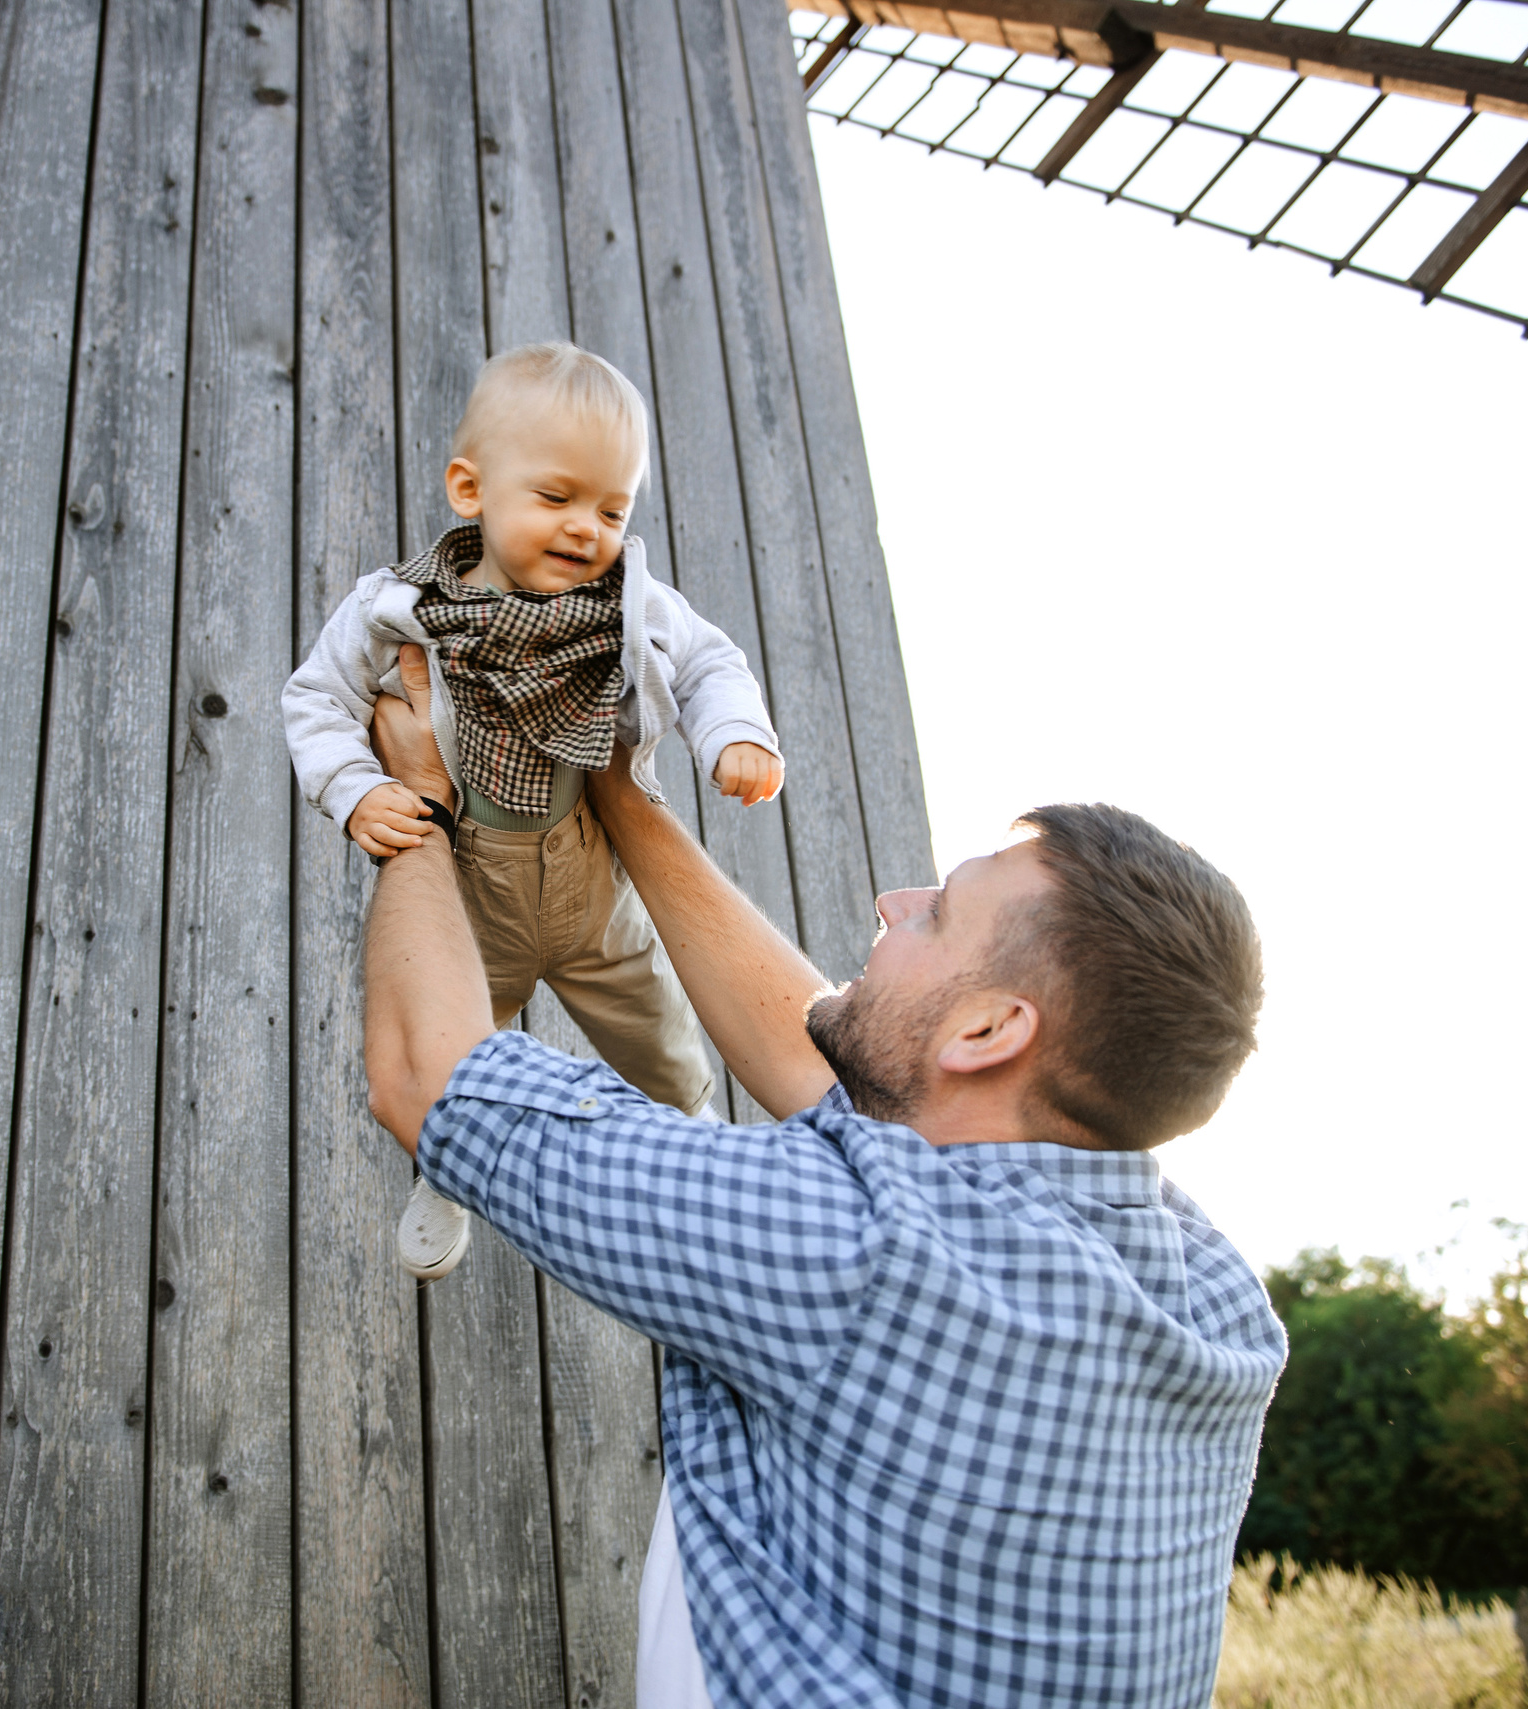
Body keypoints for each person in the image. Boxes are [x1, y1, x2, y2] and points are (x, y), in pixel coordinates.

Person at [362, 645, 1287, 1709]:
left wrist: (420, 799)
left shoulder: (856, 1253)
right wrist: (613, 781)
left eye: (939, 912)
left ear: (990, 1027)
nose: (896, 902)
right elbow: (847, 1088)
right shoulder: (1215, 1295)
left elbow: (431, 1078)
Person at [285, 341, 784, 1280]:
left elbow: (711, 660)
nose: (586, 529)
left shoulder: (629, 606)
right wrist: (357, 789)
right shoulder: (401, 611)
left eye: (612, 508)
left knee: (659, 1033)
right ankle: (454, 1168)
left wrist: (732, 736)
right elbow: (315, 700)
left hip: (591, 885)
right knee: (459, 1051)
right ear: (470, 491)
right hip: (472, 895)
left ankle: (697, 1135)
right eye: (556, 498)